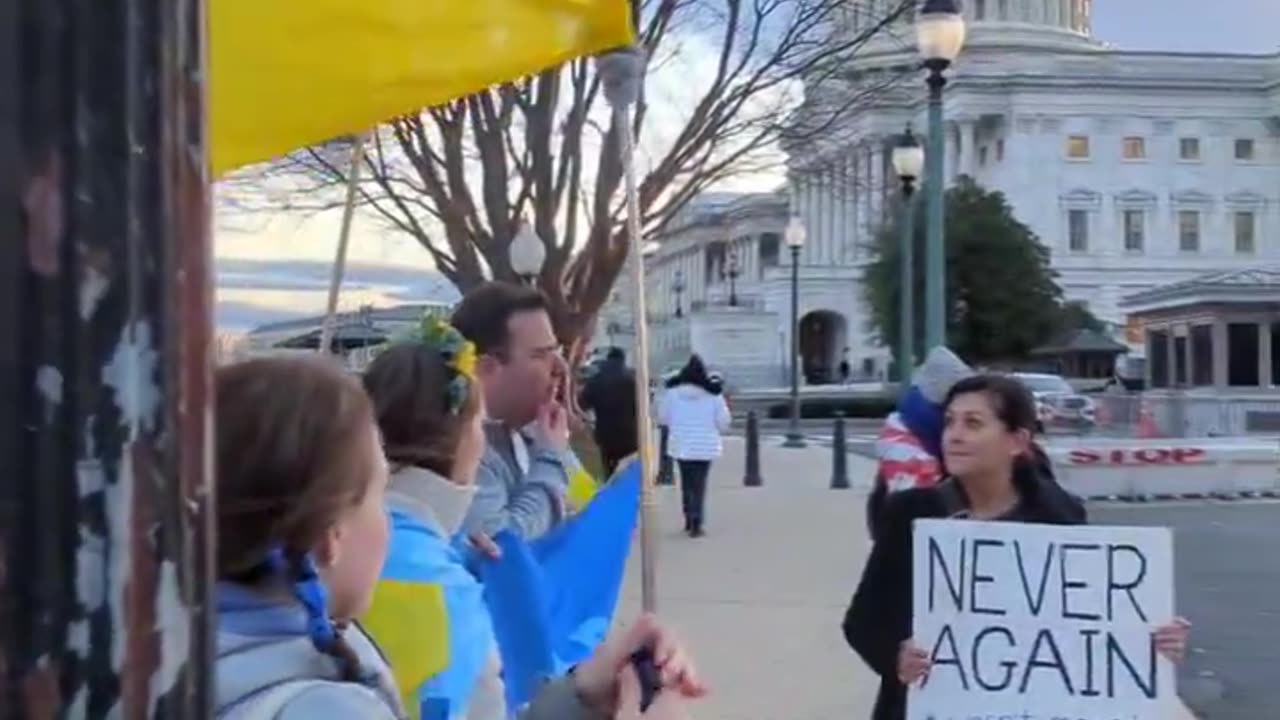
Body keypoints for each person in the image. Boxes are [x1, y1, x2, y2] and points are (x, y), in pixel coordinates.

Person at [213, 355, 707, 719]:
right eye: (380, 491)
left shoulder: (196, 645)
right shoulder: (321, 707)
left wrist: (578, 695)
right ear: (329, 539)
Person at [841, 374, 1191, 720]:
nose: (954, 436)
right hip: (926, 705)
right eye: (950, 422)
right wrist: (896, 657)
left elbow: (1087, 628)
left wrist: (1151, 639)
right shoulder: (911, 513)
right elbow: (863, 621)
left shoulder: (1058, 517)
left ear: (1016, 441)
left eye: (973, 424)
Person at [451, 282, 571, 541]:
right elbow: (505, 547)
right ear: (486, 369)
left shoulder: (532, 433)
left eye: (556, 352)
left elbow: (581, 510)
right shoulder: (457, 448)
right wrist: (550, 457)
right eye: (541, 355)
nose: (559, 368)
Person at [658, 355, 731, 538]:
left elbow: (663, 418)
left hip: (682, 444)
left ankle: (689, 517)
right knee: (700, 484)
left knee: (686, 482)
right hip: (705, 445)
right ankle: (697, 519)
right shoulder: (713, 395)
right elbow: (723, 422)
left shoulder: (673, 394)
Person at [579, 346, 638, 478]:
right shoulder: (632, 379)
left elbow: (582, 404)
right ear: (623, 360)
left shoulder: (596, 380)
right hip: (630, 435)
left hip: (606, 435)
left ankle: (612, 494)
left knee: (610, 474)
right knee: (629, 474)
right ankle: (626, 497)